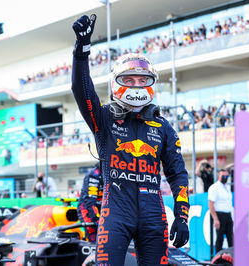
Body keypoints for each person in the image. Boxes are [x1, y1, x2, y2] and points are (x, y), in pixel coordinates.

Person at [72, 14, 190, 265]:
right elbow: (81, 90)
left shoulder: (163, 126)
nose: (136, 85)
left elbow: (178, 174)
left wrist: (182, 217)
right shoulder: (103, 118)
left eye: (142, 80)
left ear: (151, 84)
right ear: (116, 83)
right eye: (129, 79)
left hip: (153, 216)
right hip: (115, 214)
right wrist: (81, 51)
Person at [208, 169, 233, 253]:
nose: (225, 178)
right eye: (223, 176)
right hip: (219, 215)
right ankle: (218, 256)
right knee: (220, 238)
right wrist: (215, 219)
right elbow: (211, 204)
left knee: (231, 237)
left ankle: (232, 256)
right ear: (219, 176)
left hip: (228, 215)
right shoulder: (214, 187)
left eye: (227, 176)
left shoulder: (227, 187)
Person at [78, 163, 103, 243]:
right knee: (94, 239)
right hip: (87, 210)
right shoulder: (94, 174)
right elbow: (89, 201)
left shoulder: (112, 173)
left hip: (102, 208)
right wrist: (97, 219)